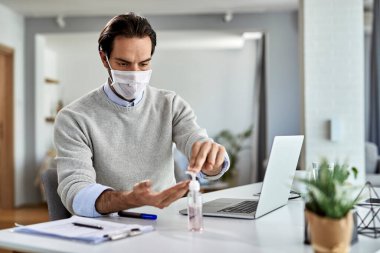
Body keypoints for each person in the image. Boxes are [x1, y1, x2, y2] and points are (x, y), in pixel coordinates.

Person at [54, 12, 230, 217]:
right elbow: (75, 191)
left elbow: (196, 141)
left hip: (168, 220)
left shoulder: (170, 104)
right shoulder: (74, 118)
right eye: (123, 64)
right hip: (110, 228)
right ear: (104, 58)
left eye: (144, 64)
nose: (135, 74)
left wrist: (211, 160)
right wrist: (127, 200)